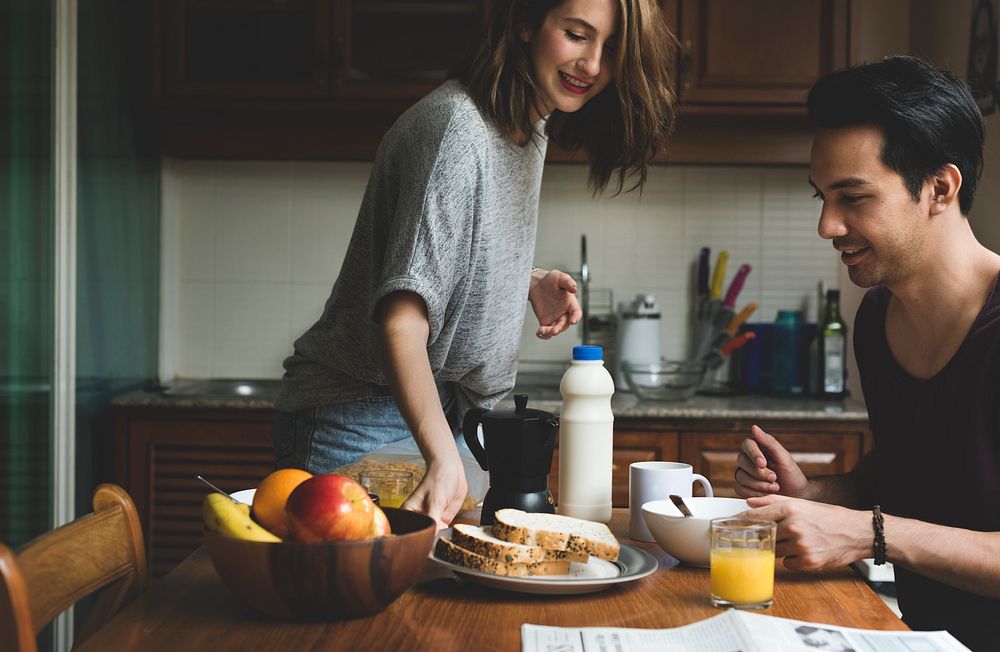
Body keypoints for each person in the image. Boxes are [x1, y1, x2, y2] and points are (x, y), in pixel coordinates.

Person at [273, 0, 676, 529]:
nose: (594, 65)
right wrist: (442, 457)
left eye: (612, 47)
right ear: (527, 24)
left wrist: (521, 281)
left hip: (439, 415)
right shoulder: (457, 131)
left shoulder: (527, 130)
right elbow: (402, 321)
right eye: (577, 35)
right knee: (362, 606)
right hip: (362, 418)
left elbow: (440, 256)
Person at [734, 55, 1000, 650]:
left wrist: (867, 534)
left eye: (853, 197)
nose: (828, 226)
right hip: (920, 638)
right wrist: (818, 497)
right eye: (822, 197)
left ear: (939, 188)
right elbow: (914, 468)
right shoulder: (876, 317)